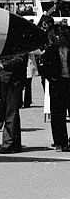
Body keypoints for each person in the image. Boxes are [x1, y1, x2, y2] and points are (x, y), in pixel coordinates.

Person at [39, 23, 70, 151]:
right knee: (57, 114)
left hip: (69, 81)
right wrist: (51, 78)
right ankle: (60, 142)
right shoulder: (51, 50)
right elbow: (44, 68)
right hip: (57, 83)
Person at [0, 51, 28, 154]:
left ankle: (9, 143)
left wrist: (2, 66)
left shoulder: (19, 42)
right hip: (6, 78)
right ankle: (14, 143)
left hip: (14, 79)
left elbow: (19, 59)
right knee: (10, 111)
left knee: (11, 112)